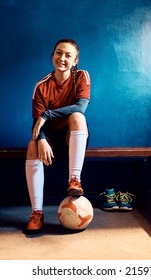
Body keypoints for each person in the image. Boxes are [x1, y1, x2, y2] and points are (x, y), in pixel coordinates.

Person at [25, 38, 91, 231]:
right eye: (58, 53)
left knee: (78, 117)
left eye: (68, 55)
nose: (62, 58)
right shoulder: (41, 86)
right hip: (51, 139)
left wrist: (48, 113)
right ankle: (37, 213)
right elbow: (37, 124)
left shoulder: (82, 76)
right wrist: (42, 140)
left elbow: (81, 106)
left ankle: (74, 179)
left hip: (74, 137)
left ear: (75, 60)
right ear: (52, 55)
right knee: (32, 145)